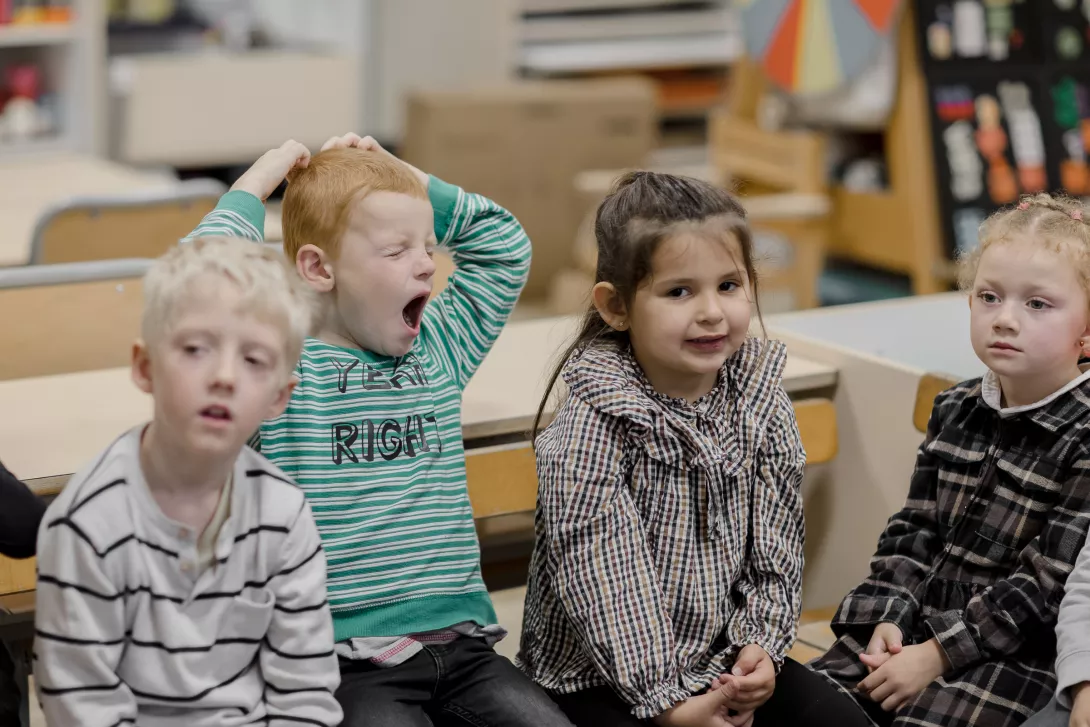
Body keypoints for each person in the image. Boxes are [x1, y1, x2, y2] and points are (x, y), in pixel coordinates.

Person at [184, 135, 574, 726]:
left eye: (426, 247)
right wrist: (256, 182)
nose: (425, 263)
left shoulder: (437, 348)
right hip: (339, 662)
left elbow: (504, 247)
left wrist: (402, 173)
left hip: (463, 646)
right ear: (319, 267)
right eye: (397, 251)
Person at [757, 193, 1090, 727]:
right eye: (989, 297)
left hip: (1004, 651)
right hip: (912, 624)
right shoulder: (957, 407)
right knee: (792, 705)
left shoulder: (1084, 433)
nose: (1004, 319)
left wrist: (935, 654)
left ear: (1088, 330)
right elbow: (914, 529)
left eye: (1037, 304)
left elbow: (1045, 586)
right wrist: (887, 616)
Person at [518, 171, 807, 727]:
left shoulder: (760, 396)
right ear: (616, 306)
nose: (712, 312)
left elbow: (777, 549)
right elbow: (605, 579)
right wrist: (669, 704)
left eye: (729, 285)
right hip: (601, 679)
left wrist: (761, 648)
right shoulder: (593, 424)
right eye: (679, 291)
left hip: (721, 662)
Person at [33, 237, 342, 726]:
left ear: (278, 397)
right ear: (145, 367)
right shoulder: (87, 524)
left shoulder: (284, 513)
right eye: (196, 349)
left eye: (254, 360)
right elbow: (84, 708)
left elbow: (304, 692)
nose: (224, 376)